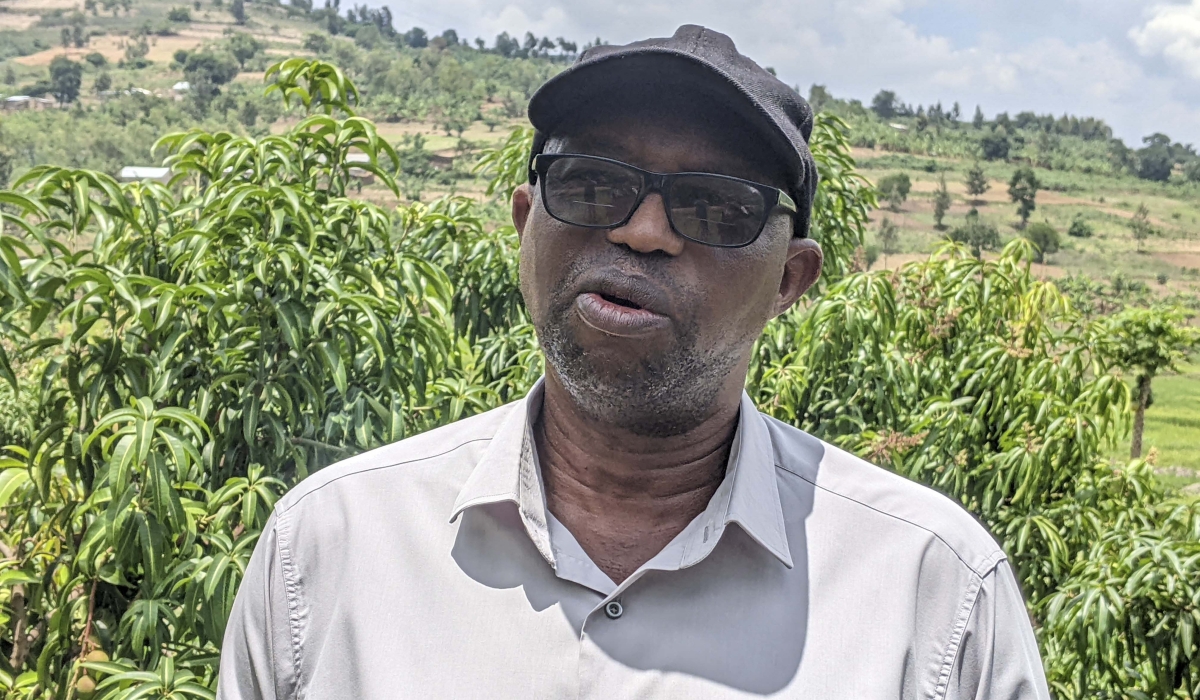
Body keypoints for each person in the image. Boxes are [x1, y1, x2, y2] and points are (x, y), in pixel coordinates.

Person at [218, 25, 1050, 699]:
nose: (643, 231)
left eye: (717, 206)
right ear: (525, 223)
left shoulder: (931, 592)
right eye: (588, 183)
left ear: (790, 280)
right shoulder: (332, 548)